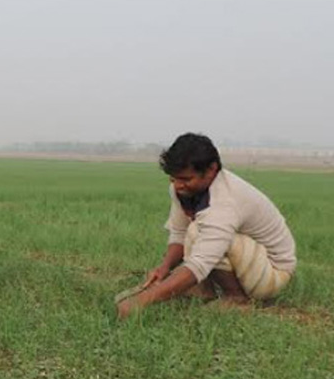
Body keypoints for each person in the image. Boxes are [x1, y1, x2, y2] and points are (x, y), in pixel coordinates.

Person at [117, 133, 296, 318]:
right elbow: (179, 233)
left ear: (211, 169)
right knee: (194, 231)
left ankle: (236, 298)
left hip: (273, 272)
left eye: (186, 179)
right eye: (173, 179)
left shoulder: (224, 202)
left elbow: (200, 264)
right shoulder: (183, 190)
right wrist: (165, 268)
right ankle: (206, 290)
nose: (178, 185)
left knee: (198, 231)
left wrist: (141, 302)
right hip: (249, 261)